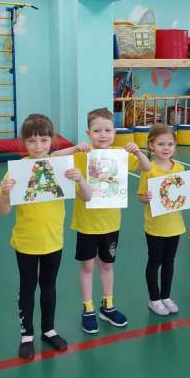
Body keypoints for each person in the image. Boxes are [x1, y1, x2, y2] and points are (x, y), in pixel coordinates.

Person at [0, 114, 92, 358]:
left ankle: (48, 330)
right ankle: (27, 335)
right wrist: (6, 193)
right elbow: (3, 210)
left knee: (49, 287)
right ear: (24, 142)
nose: (38, 146)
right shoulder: (16, 172)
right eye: (32, 141)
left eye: (43, 140)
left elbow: (87, 196)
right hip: (26, 242)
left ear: (51, 141)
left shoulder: (60, 167)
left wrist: (80, 179)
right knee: (27, 288)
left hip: (53, 241)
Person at [53, 107, 150, 334]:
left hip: (111, 223)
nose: (103, 135)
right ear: (89, 133)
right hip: (87, 223)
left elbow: (147, 167)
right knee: (87, 267)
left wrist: (138, 152)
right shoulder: (82, 154)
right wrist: (75, 148)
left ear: (114, 132)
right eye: (97, 130)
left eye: (107, 130)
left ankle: (108, 306)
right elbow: (53, 157)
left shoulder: (120, 154)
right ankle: (88, 308)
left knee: (107, 265)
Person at [137, 124, 185, 316]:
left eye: (170, 144)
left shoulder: (180, 168)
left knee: (169, 261)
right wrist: (146, 197)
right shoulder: (148, 169)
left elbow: (184, 193)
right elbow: (140, 196)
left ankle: (166, 296)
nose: (166, 148)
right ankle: (154, 299)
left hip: (175, 225)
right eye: (161, 144)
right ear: (151, 145)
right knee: (154, 261)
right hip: (155, 226)